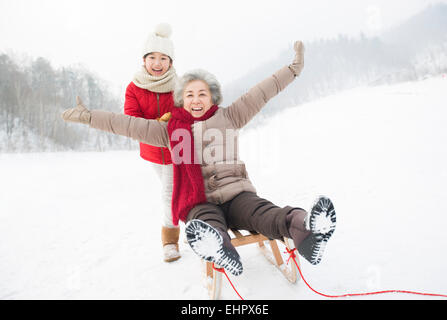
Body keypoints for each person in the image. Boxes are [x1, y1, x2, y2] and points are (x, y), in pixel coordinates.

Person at [62, 41, 337, 276]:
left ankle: (307, 229)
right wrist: (89, 117)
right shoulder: (170, 130)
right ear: (182, 100)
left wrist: (292, 70)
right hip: (199, 200)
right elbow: (128, 124)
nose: (196, 100)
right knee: (205, 222)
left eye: (202, 94)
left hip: (238, 195)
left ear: (212, 97)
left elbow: (262, 91)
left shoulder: (230, 115)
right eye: (190, 95)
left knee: (263, 212)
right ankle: (219, 247)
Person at [125, 23, 180, 262]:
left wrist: (174, 118)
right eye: (152, 57)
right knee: (175, 192)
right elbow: (131, 121)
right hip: (152, 152)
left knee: (169, 193)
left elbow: (189, 110)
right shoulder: (134, 87)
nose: (157, 63)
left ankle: (170, 242)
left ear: (170, 62)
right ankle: (189, 221)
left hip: (178, 150)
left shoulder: (179, 85)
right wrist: (158, 123)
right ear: (144, 60)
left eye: (163, 58)